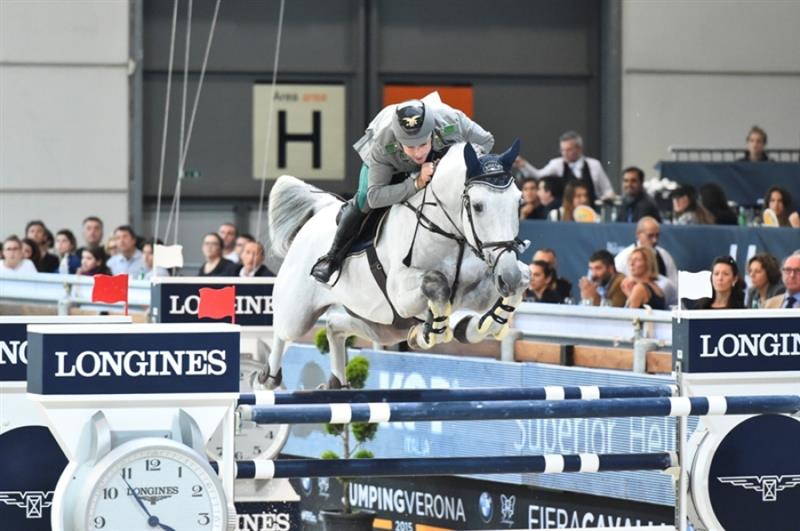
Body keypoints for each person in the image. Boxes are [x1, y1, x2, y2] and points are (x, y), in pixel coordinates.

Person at [311, 95, 494, 282]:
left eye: (423, 144)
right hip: (393, 165)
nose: (418, 153)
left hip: (439, 157)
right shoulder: (383, 143)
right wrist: (416, 183)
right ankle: (332, 258)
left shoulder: (453, 121)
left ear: (432, 134)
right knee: (364, 199)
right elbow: (375, 196)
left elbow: (486, 142)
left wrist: (451, 165)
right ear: (399, 142)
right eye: (410, 146)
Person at [516, 130, 614, 207]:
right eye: (562, 150)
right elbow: (539, 176)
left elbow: (607, 190)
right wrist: (524, 165)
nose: (564, 153)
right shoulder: (557, 164)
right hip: (565, 214)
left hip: (591, 212)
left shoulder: (594, 165)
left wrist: (604, 201)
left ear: (579, 148)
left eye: (568, 150)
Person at [614, 217, 678, 287]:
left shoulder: (665, 257)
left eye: (657, 236)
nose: (655, 240)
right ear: (638, 235)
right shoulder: (623, 258)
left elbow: (674, 285)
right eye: (650, 236)